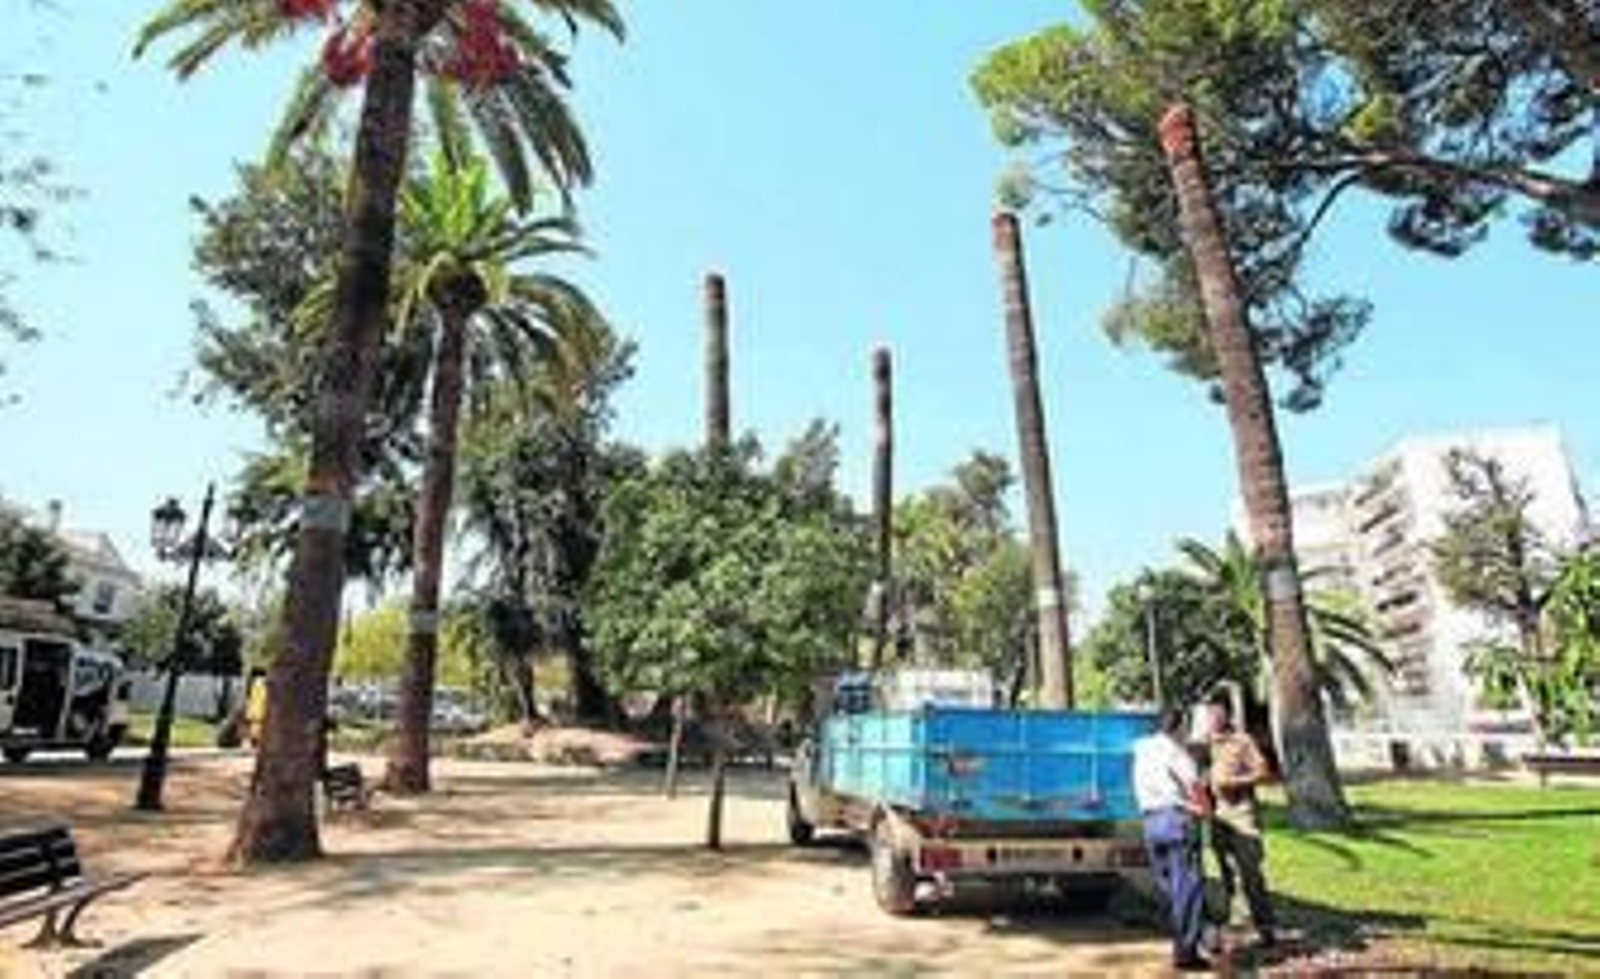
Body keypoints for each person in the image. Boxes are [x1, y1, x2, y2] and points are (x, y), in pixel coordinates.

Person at [1133, 706, 1210, 971]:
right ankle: (1186, 953)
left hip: (1151, 823)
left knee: (1170, 886)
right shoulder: (1177, 752)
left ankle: (1185, 935)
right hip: (1176, 821)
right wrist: (1205, 809)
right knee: (1187, 888)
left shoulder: (1142, 748)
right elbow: (1194, 785)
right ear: (1179, 728)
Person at [1204, 694, 1278, 947]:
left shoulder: (1242, 741)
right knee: (1226, 873)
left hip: (1242, 813)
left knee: (1250, 872)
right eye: (1209, 714)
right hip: (1218, 815)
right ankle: (1235, 926)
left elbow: (1264, 771)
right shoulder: (1205, 743)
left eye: (1216, 713)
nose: (1212, 718)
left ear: (1227, 715)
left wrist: (1234, 782)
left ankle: (1265, 926)